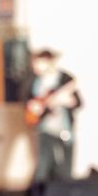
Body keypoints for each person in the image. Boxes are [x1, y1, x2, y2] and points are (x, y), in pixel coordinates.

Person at [23, 49, 82, 188]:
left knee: (65, 169)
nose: (36, 67)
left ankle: (64, 195)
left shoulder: (65, 79)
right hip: (45, 128)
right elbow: (25, 98)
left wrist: (67, 101)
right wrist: (33, 105)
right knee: (43, 167)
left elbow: (78, 102)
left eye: (40, 63)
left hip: (64, 128)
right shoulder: (34, 80)